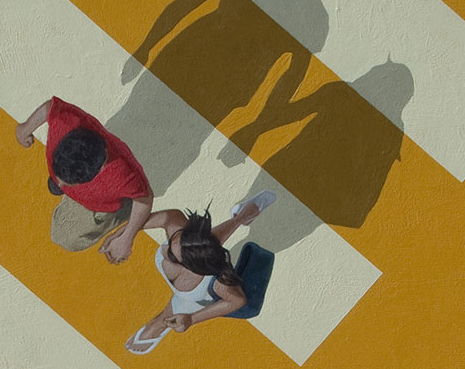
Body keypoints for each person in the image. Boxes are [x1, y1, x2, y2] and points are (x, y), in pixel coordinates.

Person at [126, 192, 275, 354]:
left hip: (195, 293)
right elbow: (169, 217)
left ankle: (159, 323)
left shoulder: (218, 283)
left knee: (175, 311)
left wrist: (191, 319)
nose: (165, 250)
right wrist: (125, 234)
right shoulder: (180, 233)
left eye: (173, 255)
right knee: (210, 238)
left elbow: (237, 301)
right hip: (199, 256)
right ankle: (242, 216)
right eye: (173, 243)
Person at [15, 97, 154, 263]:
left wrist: (126, 238)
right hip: (92, 188)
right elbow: (50, 108)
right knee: (55, 186)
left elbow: (145, 199)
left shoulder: (122, 176)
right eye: (60, 177)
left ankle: (125, 209)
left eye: (69, 183)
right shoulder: (64, 122)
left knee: (63, 238)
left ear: (101, 169)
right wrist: (25, 128)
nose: (60, 184)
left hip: (103, 204)